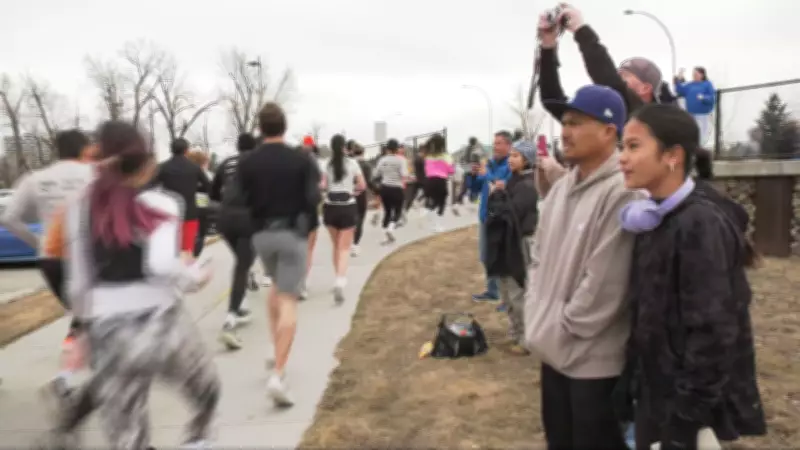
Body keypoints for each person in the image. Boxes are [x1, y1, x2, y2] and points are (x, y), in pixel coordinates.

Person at [45, 121, 219, 449]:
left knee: (129, 435)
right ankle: (197, 441)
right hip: (162, 325)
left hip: (109, 329)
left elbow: (79, 282)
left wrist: (84, 328)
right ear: (147, 162)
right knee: (206, 396)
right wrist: (195, 278)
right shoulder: (161, 205)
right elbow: (160, 266)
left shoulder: (78, 209)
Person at [617, 104, 766, 449]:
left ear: (673, 156)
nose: (622, 158)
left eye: (634, 146)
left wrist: (684, 421)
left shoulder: (698, 223)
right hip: (655, 396)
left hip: (681, 411)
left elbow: (715, 332)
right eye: (622, 147)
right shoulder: (654, 216)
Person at [523, 84, 638, 449]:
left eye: (575, 122)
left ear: (609, 131)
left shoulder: (623, 192)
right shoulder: (561, 188)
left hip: (595, 363)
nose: (565, 132)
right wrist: (536, 313)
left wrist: (559, 326)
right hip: (553, 350)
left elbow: (605, 285)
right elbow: (538, 258)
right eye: (564, 123)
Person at [535, 3, 673, 195]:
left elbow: (607, 78)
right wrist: (548, 46)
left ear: (645, 88)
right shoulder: (603, 117)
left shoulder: (650, 121)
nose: (617, 80)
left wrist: (581, 31)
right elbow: (552, 99)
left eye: (625, 76)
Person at [0, 129, 96, 401]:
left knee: (82, 317)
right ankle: (71, 376)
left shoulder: (35, 179)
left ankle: (71, 374)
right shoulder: (92, 176)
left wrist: (36, 241)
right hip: (85, 257)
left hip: (51, 259)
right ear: (83, 150)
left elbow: (8, 218)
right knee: (91, 317)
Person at [238, 103, 321, 407]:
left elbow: (240, 198)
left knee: (275, 285)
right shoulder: (300, 160)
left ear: (260, 128)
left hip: (262, 234)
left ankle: (275, 348)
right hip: (292, 232)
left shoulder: (248, 163)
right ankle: (279, 372)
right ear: (284, 127)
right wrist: (309, 227)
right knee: (288, 299)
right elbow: (312, 198)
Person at [485, 139, 539, 355]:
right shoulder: (514, 182)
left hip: (519, 243)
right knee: (506, 291)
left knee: (517, 290)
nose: (511, 159)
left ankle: (526, 338)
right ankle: (516, 332)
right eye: (511, 155)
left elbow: (510, 213)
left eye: (516, 156)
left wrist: (496, 195)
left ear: (527, 160)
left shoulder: (526, 186)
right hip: (508, 241)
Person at [209, 132, 258, 350]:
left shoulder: (226, 163)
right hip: (248, 217)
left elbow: (213, 193)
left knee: (242, 260)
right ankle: (230, 320)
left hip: (224, 218)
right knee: (242, 264)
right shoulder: (259, 163)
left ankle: (243, 301)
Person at [321, 134, 366, 304]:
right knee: (345, 248)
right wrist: (353, 190)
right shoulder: (352, 163)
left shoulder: (326, 164)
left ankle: (337, 277)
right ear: (344, 147)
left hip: (330, 208)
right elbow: (362, 185)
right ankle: (341, 280)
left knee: (336, 246)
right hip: (347, 206)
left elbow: (323, 186)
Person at [471, 131, 514, 303]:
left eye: (499, 143)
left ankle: (507, 297)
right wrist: (474, 175)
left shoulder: (510, 165)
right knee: (485, 255)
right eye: (494, 143)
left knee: (502, 257)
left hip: (501, 217)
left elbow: (501, 185)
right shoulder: (488, 164)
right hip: (485, 216)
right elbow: (475, 188)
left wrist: (485, 174)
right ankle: (492, 291)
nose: (495, 147)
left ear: (508, 146)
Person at [151, 138, 211, 260]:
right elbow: (209, 186)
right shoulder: (194, 168)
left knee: (169, 250)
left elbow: (150, 186)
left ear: (171, 150)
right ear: (186, 150)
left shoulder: (162, 167)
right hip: (189, 213)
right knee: (187, 250)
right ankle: (186, 274)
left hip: (168, 214)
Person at [296, 135, 324, 300]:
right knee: (308, 249)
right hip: (310, 208)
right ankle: (303, 283)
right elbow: (320, 183)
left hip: (292, 209)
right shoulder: (314, 164)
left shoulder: (291, 165)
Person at [373, 138, 408, 244]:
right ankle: (390, 229)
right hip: (397, 188)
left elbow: (376, 174)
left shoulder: (382, 160)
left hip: (385, 188)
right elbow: (404, 175)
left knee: (387, 212)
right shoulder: (401, 160)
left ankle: (385, 236)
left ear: (387, 149)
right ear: (397, 149)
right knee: (397, 211)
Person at [674, 66, 716, 145]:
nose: (694, 75)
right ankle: (693, 148)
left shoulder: (707, 84)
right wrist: (679, 78)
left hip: (703, 115)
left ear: (702, 75)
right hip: (691, 114)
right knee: (692, 132)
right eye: (693, 74)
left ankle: (700, 148)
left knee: (702, 135)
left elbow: (712, 98)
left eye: (696, 73)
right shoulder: (690, 85)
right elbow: (679, 90)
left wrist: (703, 97)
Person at [422, 134, 454, 232]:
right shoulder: (446, 156)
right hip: (441, 181)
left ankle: (429, 213)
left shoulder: (428, 156)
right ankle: (437, 225)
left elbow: (426, 170)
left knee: (434, 202)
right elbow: (451, 170)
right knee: (442, 203)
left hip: (429, 181)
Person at [186, 150, 213, 258]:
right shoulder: (207, 175)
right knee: (199, 240)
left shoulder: (185, 174)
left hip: (187, 210)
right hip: (201, 211)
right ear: (203, 162)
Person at [351, 144, 372, 256]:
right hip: (361, 194)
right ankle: (355, 244)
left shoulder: (349, 164)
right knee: (360, 218)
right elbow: (368, 181)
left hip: (349, 193)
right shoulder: (366, 165)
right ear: (363, 152)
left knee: (351, 217)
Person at [405, 144, 427, 214]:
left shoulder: (416, 158)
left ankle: (405, 210)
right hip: (421, 179)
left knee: (412, 196)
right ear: (423, 150)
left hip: (416, 179)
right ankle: (418, 200)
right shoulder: (420, 158)